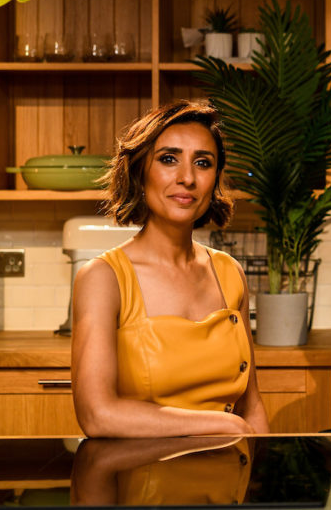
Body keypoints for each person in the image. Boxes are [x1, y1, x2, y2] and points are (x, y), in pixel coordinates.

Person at [71, 101, 269, 437]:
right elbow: (97, 415)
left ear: (215, 179)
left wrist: (258, 475)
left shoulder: (229, 272)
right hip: (139, 480)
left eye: (203, 163)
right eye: (168, 159)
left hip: (225, 483)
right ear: (139, 171)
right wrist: (223, 424)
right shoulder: (104, 278)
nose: (187, 178)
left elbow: (252, 406)